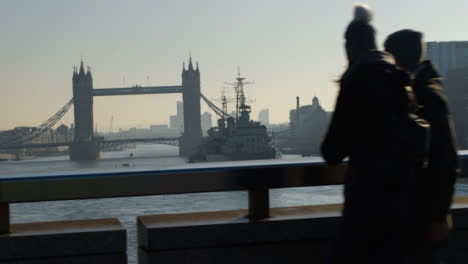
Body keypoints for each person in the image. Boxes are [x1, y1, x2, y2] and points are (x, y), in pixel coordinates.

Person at [321, 4, 417, 263]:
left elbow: (332, 151)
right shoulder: (399, 78)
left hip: (365, 202)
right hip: (402, 201)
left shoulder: (356, 78)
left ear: (349, 46)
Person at [384, 29, 460, 263]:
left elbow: (445, 157)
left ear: (397, 58)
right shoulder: (423, 89)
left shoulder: (425, 95)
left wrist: (438, 216)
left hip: (422, 213)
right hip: (418, 211)